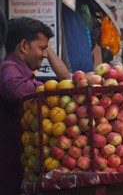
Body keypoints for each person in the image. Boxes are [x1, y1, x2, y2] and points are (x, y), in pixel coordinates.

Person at [0, 17, 70, 195]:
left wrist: (48, 50)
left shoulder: (24, 72)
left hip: (20, 162)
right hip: (9, 166)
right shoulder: (9, 69)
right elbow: (18, 91)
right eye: (42, 48)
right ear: (24, 46)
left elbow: (65, 77)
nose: (45, 55)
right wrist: (51, 90)